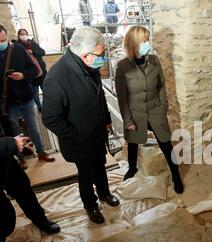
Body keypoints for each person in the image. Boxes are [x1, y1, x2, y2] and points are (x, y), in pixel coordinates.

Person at [42, 27, 120, 224]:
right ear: (85, 55)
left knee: (100, 167)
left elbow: (99, 94)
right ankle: (91, 205)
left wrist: (107, 118)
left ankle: (104, 194)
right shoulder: (57, 78)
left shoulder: (90, 66)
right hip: (80, 141)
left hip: (97, 133)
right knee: (86, 175)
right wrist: (78, 136)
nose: (104, 58)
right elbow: (50, 118)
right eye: (101, 54)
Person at [115, 26, 184, 194]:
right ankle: (132, 168)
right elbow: (122, 97)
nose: (147, 44)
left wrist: (163, 107)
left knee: (166, 145)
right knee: (132, 144)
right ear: (133, 44)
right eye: (144, 41)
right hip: (135, 113)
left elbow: (161, 86)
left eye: (148, 40)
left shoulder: (154, 60)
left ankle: (176, 175)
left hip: (155, 111)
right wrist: (128, 120)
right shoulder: (123, 66)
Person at [0, 104, 60, 242]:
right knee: (4, 216)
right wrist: (11, 143)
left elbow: (3, 117)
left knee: (23, 189)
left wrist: (17, 134)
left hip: (3, 160)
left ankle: (41, 220)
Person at [0, 24, 54, 169]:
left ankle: (41, 152)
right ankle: (21, 158)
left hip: (26, 96)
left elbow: (35, 69)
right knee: (14, 132)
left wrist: (23, 75)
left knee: (33, 126)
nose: (2, 44)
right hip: (9, 101)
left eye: (4, 40)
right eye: (0, 42)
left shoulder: (18, 49)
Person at [16, 28, 48, 112]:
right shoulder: (17, 46)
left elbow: (42, 52)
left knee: (46, 89)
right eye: (21, 34)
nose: (24, 36)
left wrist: (33, 52)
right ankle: (39, 107)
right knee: (34, 92)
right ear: (18, 36)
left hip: (41, 71)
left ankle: (48, 105)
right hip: (31, 73)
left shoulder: (32, 43)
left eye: (25, 34)